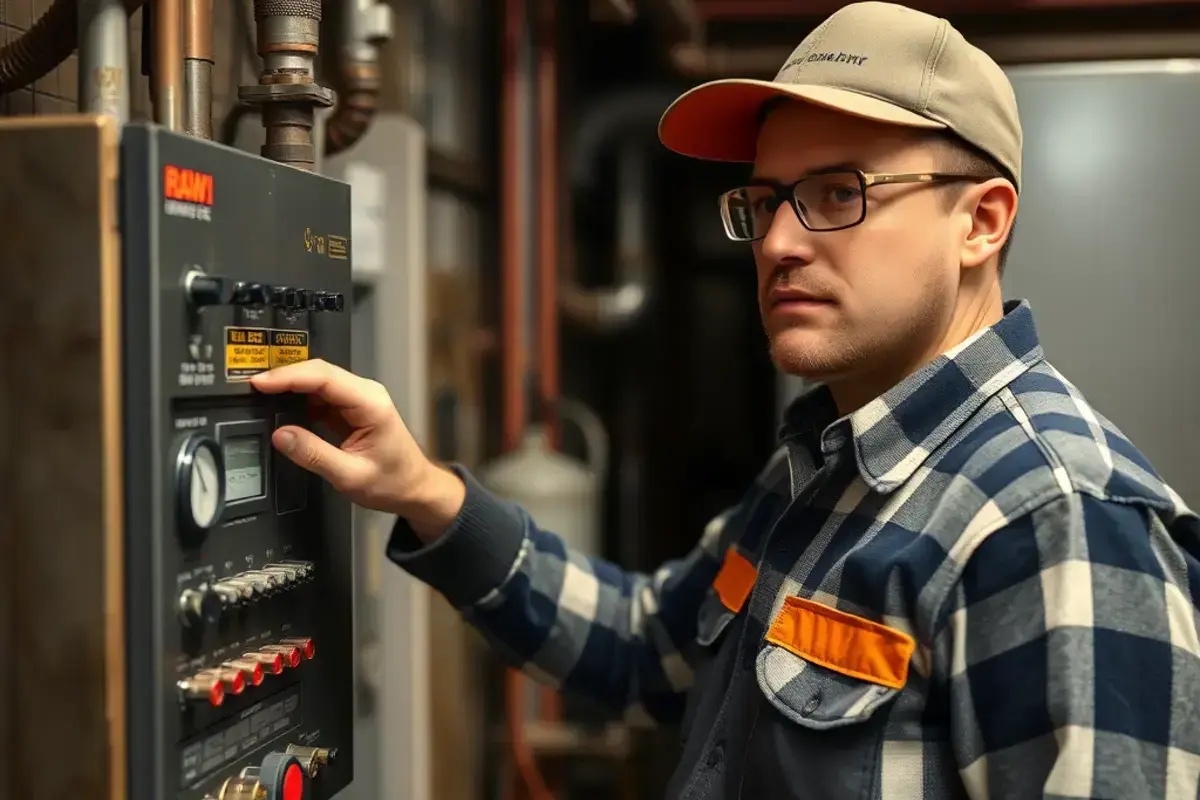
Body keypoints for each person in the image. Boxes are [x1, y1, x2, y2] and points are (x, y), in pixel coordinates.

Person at [251, 2, 1200, 798]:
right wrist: (424, 490)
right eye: (766, 201)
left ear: (980, 224)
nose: (780, 242)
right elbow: (643, 647)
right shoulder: (823, 466)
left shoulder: (1054, 518)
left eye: (838, 194)